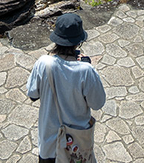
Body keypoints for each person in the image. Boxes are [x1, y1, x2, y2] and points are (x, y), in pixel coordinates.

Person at [26, 13, 106, 163]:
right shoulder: (86, 71)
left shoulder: (43, 63)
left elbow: (32, 94)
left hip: (49, 143)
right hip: (77, 143)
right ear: (79, 42)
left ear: (56, 39)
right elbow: (98, 103)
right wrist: (87, 64)